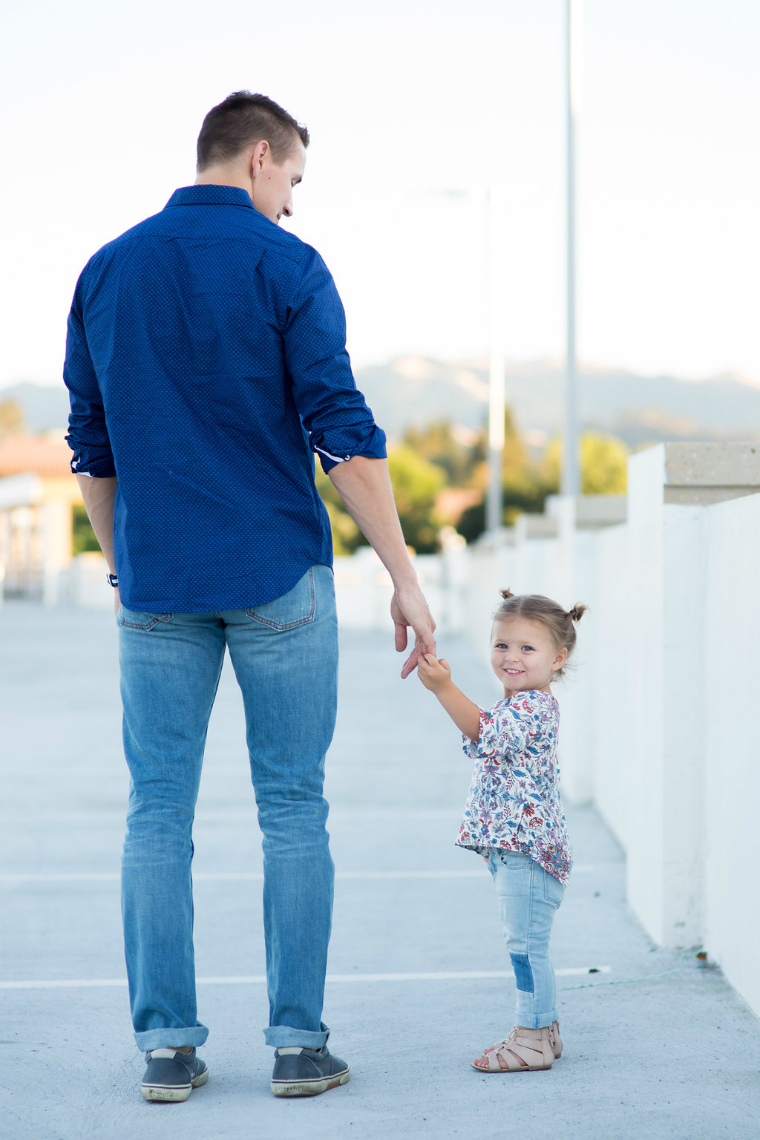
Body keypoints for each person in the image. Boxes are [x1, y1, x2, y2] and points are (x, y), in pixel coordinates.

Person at [63, 90, 435, 1103]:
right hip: (278, 574)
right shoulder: (287, 266)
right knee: (293, 808)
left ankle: (169, 1050)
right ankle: (298, 1047)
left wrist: (122, 561)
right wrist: (404, 577)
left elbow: (91, 450)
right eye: (294, 185)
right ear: (260, 157)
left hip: (160, 583)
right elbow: (344, 436)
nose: (292, 207)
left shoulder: (106, 269)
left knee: (156, 814)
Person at [417, 589, 586, 1072]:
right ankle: (544, 1030)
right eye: (502, 645)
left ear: (558, 659)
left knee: (525, 949)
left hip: (527, 852)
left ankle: (531, 1038)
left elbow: (483, 733)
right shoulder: (518, 703)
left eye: (527, 649)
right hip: (517, 850)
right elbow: (485, 735)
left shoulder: (531, 708)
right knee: (529, 946)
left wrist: (442, 688)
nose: (511, 657)